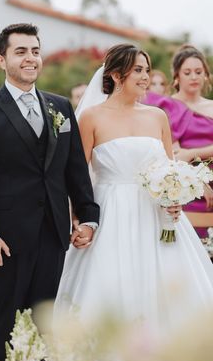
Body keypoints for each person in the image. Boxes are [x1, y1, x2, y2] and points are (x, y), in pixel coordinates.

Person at [0, 23, 99, 361]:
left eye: (35, 50)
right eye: (20, 51)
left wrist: (88, 216)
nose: (30, 58)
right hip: (5, 237)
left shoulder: (61, 107)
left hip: (54, 232)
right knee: (5, 317)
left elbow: (75, 170)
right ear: (1, 59)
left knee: (45, 317)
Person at [55, 44, 213, 334]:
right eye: (138, 70)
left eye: (147, 70)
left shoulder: (157, 116)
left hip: (156, 216)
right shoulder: (91, 117)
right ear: (116, 75)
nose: (145, 77)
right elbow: (77, 177)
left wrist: (173, 197)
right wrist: (76, 220)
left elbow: (170, 168)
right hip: (110, 213)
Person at [145, 45, 213, 237]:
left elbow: (185, 153)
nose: (194, 77)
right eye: (187, 72)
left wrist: (191, 153)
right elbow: (170, 154)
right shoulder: (165, 107)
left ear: (206, 74)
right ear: (176, 76)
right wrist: (199, 181)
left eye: (198, 72)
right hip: (183, 188)